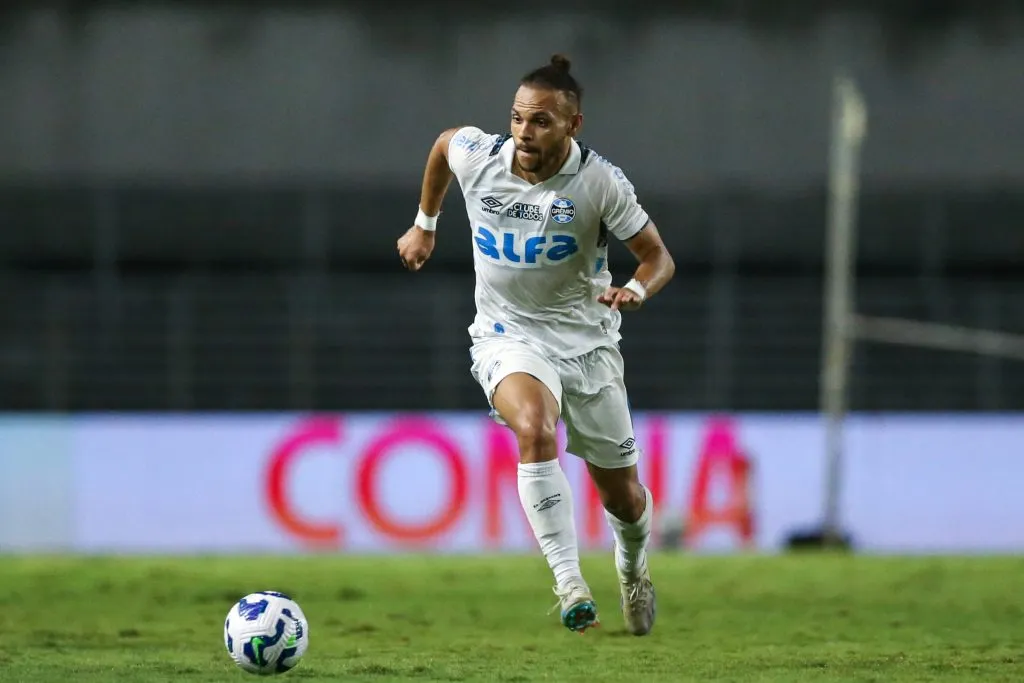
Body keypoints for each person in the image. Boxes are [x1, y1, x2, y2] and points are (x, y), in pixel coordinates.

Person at [396, 54, 676, 636]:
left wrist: (635, 289)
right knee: (534, 427)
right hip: (508, 335)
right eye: (518, 118)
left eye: (541, 121)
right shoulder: (482, 157)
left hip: (587, 345)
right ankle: (570, 584)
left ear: (573, 124)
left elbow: (657, 257)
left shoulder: (600, 182)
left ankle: (633, 567)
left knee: (624, 498)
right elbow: (444, 145)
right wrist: (426, 222)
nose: (524, 132)